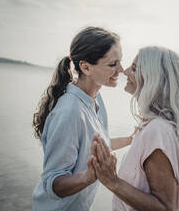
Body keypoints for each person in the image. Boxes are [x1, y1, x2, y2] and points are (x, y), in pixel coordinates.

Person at [32, 27, 133, 211]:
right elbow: (53, 182)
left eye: (120, 61)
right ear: (86, 67)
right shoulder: (69, 111)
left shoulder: (96, 99)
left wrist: (131, 139)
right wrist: (90, 176)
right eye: (112, 64)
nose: (122, 69)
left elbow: (95, 144)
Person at [90, 46, 179, 211]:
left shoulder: (157, 130)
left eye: (135, 68)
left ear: (154, 78)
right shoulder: (153, 126)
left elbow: (166, 208)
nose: (125, 71)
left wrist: (112, 181)